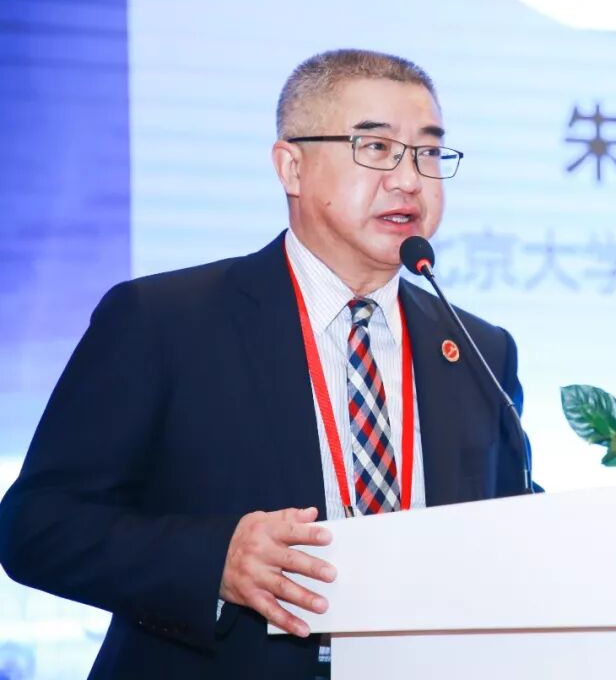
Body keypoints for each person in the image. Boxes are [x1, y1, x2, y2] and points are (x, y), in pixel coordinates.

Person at [0, 49, 532, 679]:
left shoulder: (477, 348)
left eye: (428, 152)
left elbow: (511, 524)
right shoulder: (164, 321)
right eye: (377, 148)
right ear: (291, 166)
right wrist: (214, 562)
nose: (409, 180)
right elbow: (37, 526)